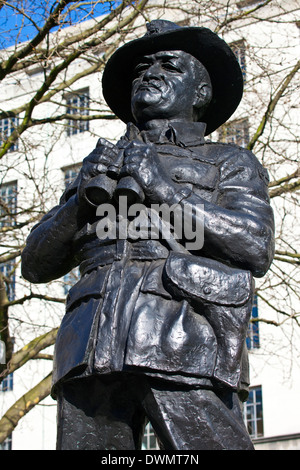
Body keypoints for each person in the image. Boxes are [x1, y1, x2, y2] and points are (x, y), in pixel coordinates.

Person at [21, 20, 274, 450]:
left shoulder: (229, 160)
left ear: (201, 94)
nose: (149, 74)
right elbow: (34, 264)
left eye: (168, 66)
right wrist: (78, 202)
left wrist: (163, 189)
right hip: (89, 347)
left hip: (185, 340)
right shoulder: (98, 164)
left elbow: (254, 244)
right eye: (141, 68)